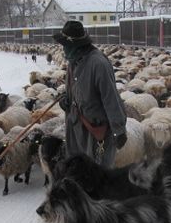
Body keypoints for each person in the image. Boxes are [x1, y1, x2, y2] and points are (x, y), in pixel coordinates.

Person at [53, 20, 127, 167]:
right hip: (76, 127)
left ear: (76, 45)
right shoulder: (73, 62)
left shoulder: (98, 64)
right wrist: (66, 99)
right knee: (77, 170)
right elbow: (73, 90)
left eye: (66, 45)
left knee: (97, 174)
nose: (64, 49)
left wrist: (119, 129)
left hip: (96, 131)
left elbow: (111, 98)